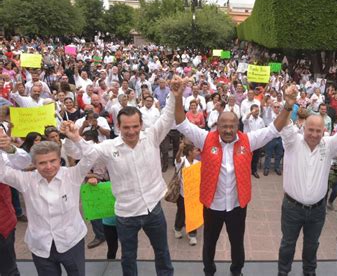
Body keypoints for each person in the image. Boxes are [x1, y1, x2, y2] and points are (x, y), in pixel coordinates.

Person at [175, 83, 297, 276]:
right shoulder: (205, 139)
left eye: (232, 126)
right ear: (217, 126)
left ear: (237, 126)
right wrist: (176, 97)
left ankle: (236, 271)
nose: (228, 130)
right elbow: (182, 123)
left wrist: (288, 105)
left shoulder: (248, 141)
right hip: (212, 206)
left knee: (237, 243)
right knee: (209, 244)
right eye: (224, 126)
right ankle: (209, 270)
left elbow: (274, 129)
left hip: (237, 206)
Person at [70, 76, 184, 276]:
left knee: (162, 252)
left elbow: (167, 117)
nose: (131, 131)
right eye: (126, 127)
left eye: (135, 126)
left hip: (153, 210)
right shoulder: (108, 147)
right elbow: (84, 153)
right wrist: (74, 138)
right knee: (128, 257)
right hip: (126, 214)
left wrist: (175, 96)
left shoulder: (152, 137)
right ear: (118, 127)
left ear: (141, 125)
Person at [277, 98, 337, 276]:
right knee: (288, 244)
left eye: (318, 131)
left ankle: (309, 272)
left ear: (324, 131)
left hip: (317, 210)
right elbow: (283, 123)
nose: (314, 134)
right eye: (310, 130)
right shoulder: (292, 142)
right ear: (303, 128)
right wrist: (288, 104)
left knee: (312, 245)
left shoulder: (328, 145)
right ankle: (283, 272)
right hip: (292, 208)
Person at [0, 123, 95, 276]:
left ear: (59, 160)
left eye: (53, 161)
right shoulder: (26, 180)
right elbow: (2, 172)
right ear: (34, 164)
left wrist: (76, 137)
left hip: (72, 242)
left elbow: (91, 156)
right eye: (42, 163)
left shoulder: (72, 175)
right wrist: (7, 148)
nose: (49, 167)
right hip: (41, 246)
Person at [0, 130, 32, 276]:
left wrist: (10, 148)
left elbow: (23, 162)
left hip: (2, 223)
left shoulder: (2, 154)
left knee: (8, 269)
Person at [174, 140, 200, 246]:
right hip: (182, 194)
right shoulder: (182, 161)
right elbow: (177, 159)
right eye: (195, 150)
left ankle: (192, 235)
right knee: (181, 213)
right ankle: (178, 228)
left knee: (192, 215)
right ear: (189, 152)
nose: (197, 152)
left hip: (193, 196)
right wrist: (180, 149)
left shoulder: (198, 163)